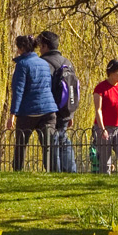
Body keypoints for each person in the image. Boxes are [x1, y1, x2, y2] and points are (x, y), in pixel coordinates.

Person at [8, 37, 57, 172]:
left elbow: (18, 91)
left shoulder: (22, 65)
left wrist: (13, 114)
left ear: (21, 48)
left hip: (28, 111)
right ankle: (51, 172)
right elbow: (48, 85)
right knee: (47, 145)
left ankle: (17, 171)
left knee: (21, 144)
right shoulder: (44, 63)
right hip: (48, 110)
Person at [36, 31, 79, 173]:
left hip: (51, 110)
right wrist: (71, 114)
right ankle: (71, 171)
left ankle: (55, 172)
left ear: (45, 46)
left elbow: (44, 88)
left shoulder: (44, 63)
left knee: (51, 142)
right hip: (66, 110)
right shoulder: (67, 62)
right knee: (63, 140)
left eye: (40, 46)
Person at [92, 60, 118, 174]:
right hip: (105, 127)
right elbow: (98, 110)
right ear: (111, 72)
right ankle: (104, 182)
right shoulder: (100, 88)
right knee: (105, 160)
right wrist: (102, 129)